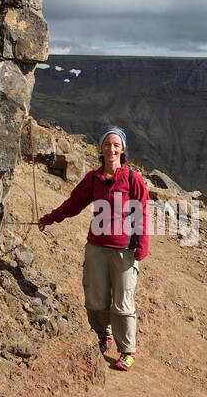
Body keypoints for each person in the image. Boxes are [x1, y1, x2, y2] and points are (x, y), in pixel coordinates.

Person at [38, 127, 149, 370]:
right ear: (101, 148)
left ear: (123, 149)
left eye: (116, 145)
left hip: (124, 250)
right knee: (95, 299)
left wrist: (142, 246)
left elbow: (142, 213)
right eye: (107, 144)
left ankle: (127, 350)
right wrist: (50, 218)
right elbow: (73, 203)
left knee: (123, 303)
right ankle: (104, 335)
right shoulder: (93, 179)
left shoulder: (133, 179)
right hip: (96, 247)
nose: (111, 149)